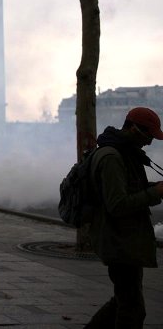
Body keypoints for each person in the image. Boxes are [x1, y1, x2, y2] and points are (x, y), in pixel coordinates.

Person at [86, 106, 163, 328]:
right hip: (119, 241)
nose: (149, 142)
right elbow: (117, 204)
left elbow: (128, 190)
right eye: (148, 135)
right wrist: (155, 193)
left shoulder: (124, 153)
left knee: (122, 301)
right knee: (132, 311)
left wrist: (154, 187)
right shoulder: (112, 157)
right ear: (132, 128)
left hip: (126, 241)